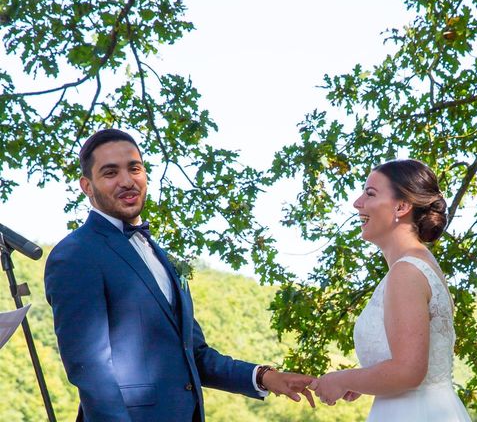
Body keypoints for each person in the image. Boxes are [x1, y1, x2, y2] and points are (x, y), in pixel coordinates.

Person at [45, 128, 314, 422]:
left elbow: (194, 354)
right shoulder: (75, 254)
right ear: (87, 185)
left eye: (134, 168)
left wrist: (264, 377)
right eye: (110, 173)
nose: (126, 181)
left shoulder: (161, 256)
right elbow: (90, 370)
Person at [310, 159, 471, 421]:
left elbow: (408, 371)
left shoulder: (406, 272)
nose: (357, 202)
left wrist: (342, 379)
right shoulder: (420, 265)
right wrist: (364, 381)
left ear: (401, 206)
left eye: (370, 193)